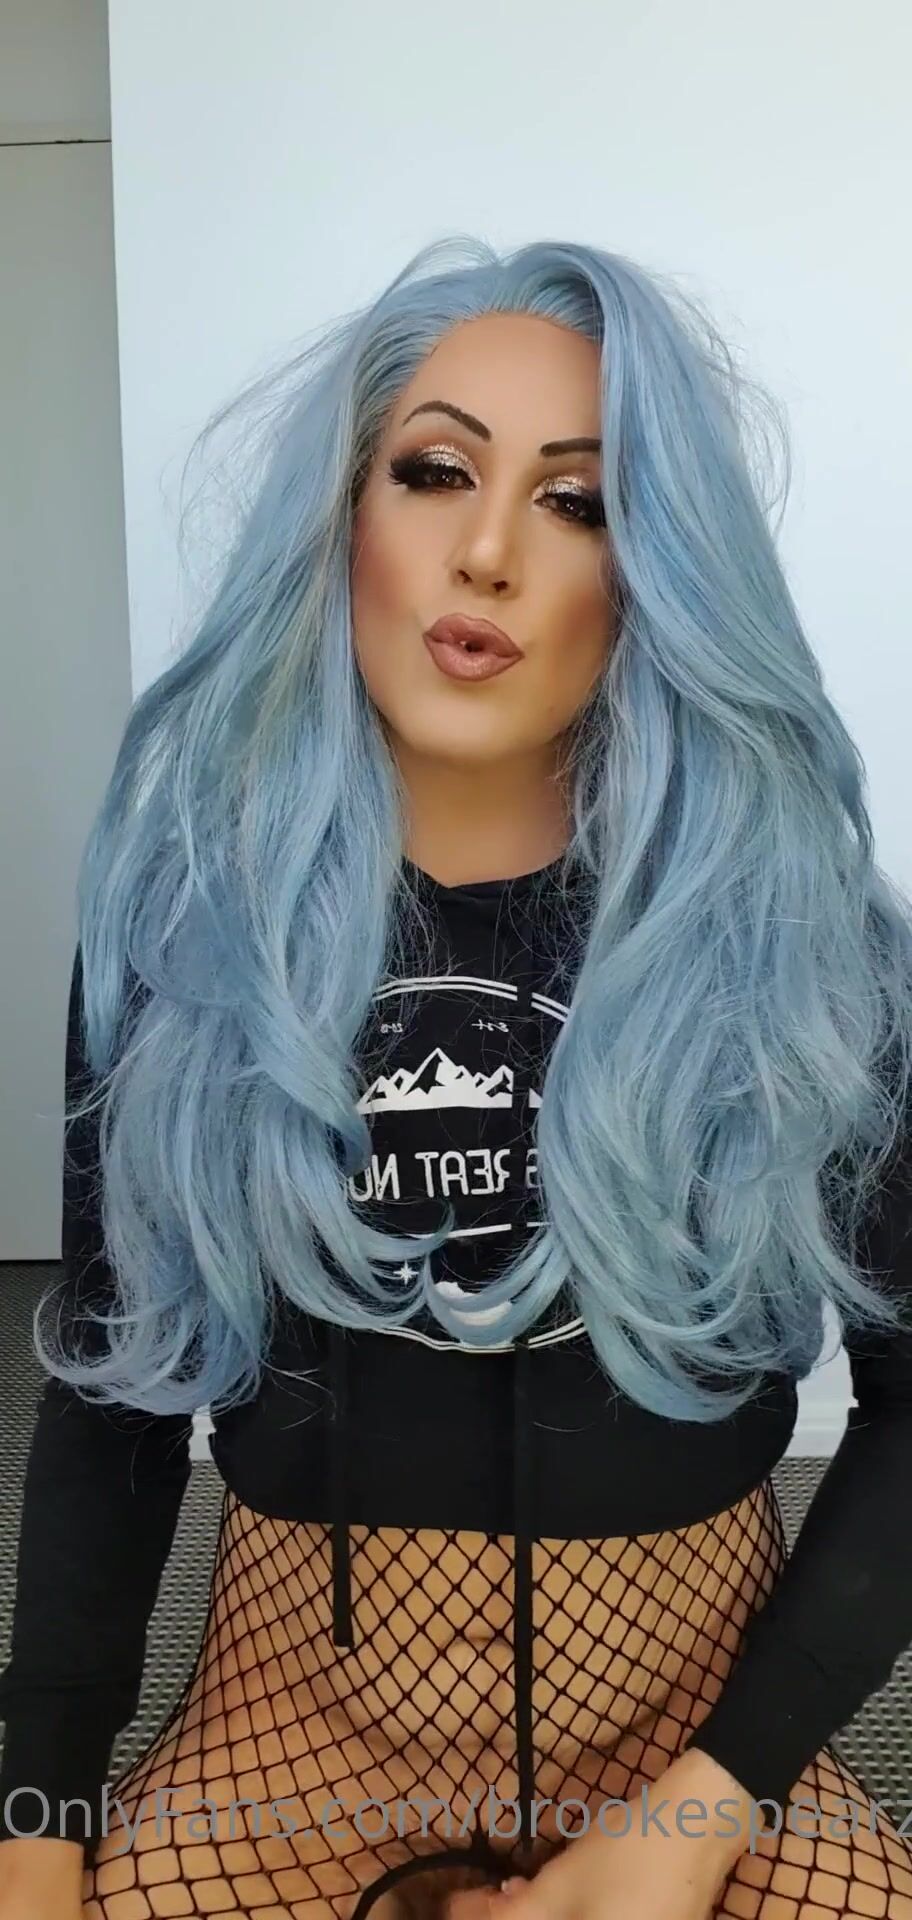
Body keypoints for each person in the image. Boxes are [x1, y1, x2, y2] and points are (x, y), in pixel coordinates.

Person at [2, 236, 912, 1920]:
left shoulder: (803, 949)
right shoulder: (189, 937)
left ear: (659, 570)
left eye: (578, 501)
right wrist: (36, 1825)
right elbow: (112, 1393)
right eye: (434, 473)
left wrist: (702, 1811)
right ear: (343, 516)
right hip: (295, 1734)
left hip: (688, 1743)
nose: (487, 551)